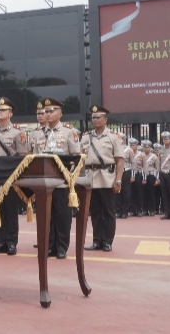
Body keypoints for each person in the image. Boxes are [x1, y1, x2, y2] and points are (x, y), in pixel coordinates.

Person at [37, 98, 80, 259]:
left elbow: (76, 157)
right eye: (46, 111)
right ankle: (50, 245)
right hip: (45, 182)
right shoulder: (39, 133)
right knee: (47, 215)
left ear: (60, 113)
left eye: (51, 111)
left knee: (62, 215)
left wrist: (70, 178)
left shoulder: (70, 132)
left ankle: (62, 246)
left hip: (62, 181)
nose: (48, 114)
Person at [0, 98, 27, 256]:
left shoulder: (18, 133)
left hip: (10, 177)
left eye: (3, 110)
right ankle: (1, 241)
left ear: (10, 113)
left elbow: (23, 157)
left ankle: (11, 242)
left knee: (10, 211)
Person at [81, 105, 124, 252]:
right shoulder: (86, 137)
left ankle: (107, 241)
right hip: (91, 178)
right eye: (93, 117)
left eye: (98, 117)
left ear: (105, 119)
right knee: (95, 212)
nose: (95, 120)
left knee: (108, 212)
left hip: (107, 178)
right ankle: (96, 240)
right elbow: (81, 159)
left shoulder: (113, 137)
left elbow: (119, 161)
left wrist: (118, 181)